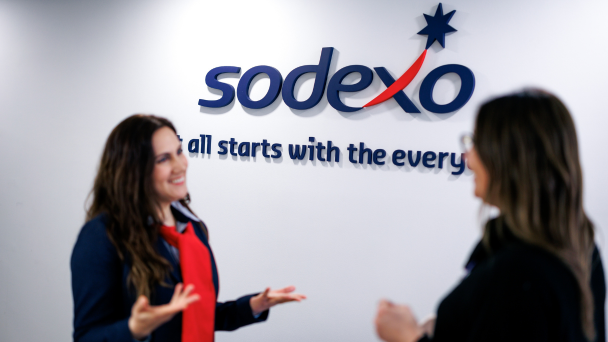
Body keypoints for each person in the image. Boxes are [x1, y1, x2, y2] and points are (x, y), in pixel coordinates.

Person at [374, 89, 606, 342]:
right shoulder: (579, 248)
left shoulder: (518, 271)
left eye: (477, 143)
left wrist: (409, 338)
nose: (467, 158)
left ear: (509, 158)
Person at [71, 114, 306, 342]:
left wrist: (254, 306)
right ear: (134, 170)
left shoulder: (192, 229)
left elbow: (195, 315)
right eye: (163, 159)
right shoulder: (101, 236)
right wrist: (134, 330)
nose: (180, 165)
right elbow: (86, 336)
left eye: (179, 152)